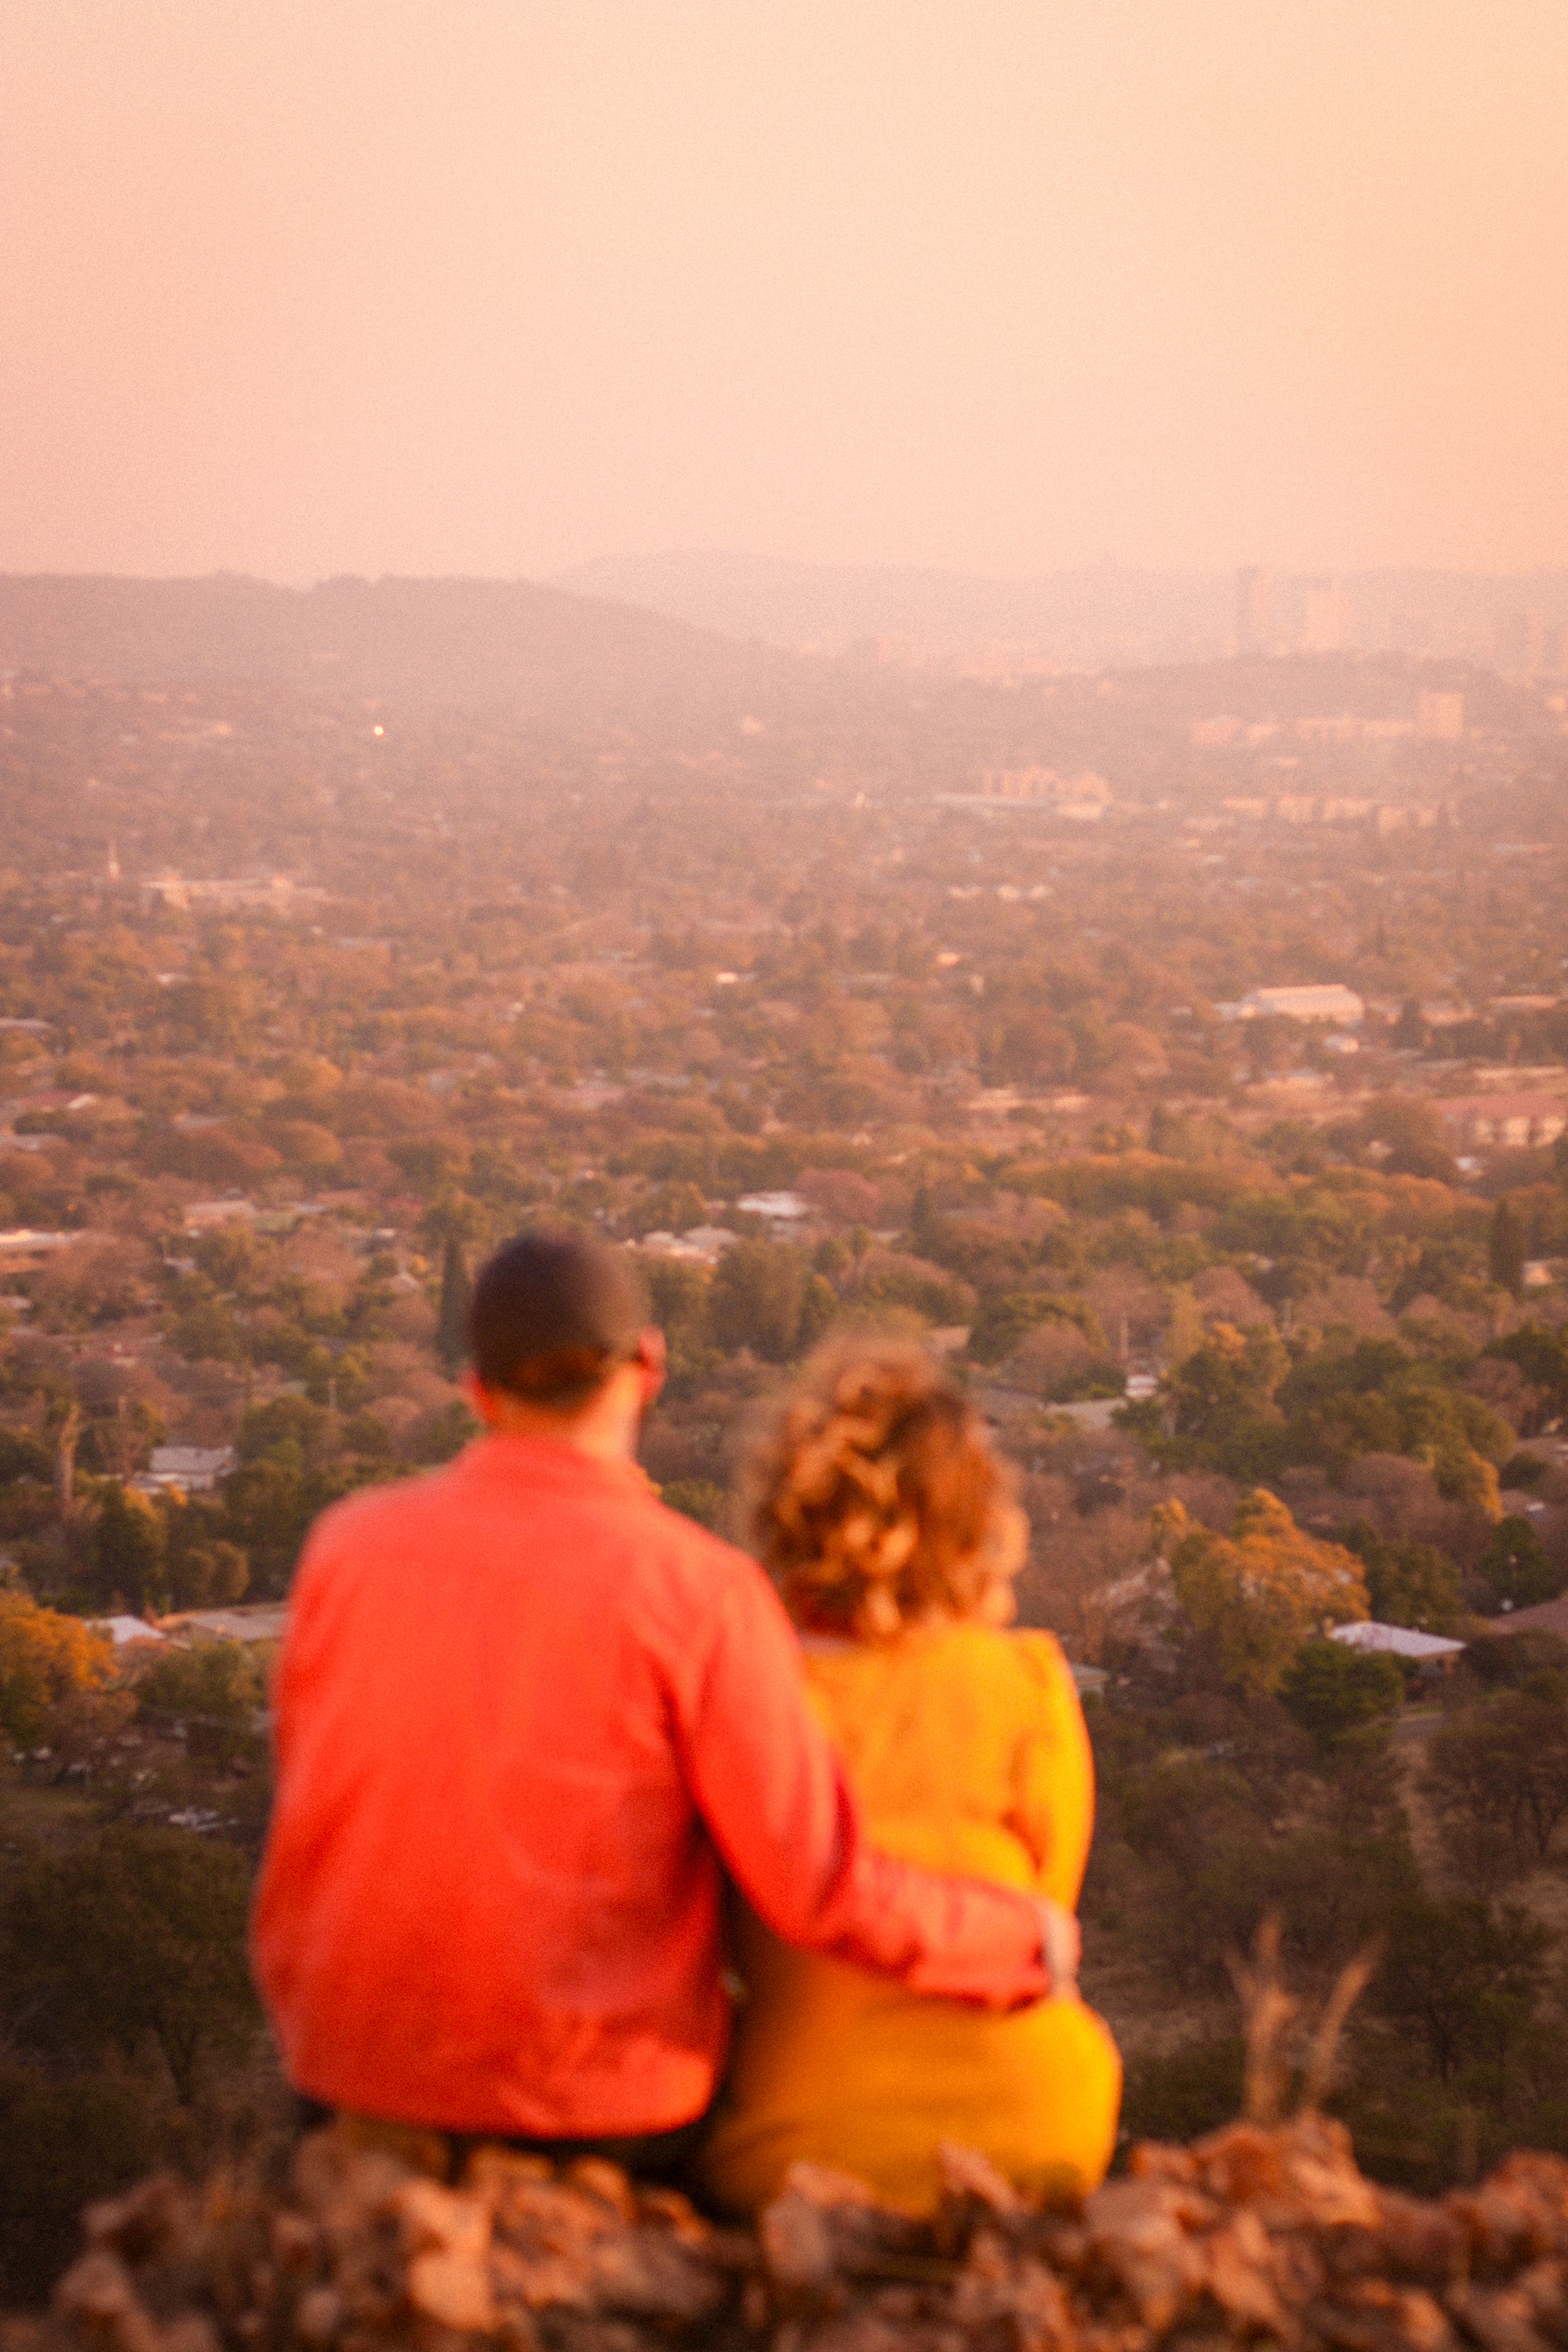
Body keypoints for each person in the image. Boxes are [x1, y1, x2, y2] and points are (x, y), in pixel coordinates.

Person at [250, 1232, 1070, 2183]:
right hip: (592, 2102)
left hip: (352, 2073)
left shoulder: (344, 1551)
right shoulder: (698, 1593)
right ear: (647, 1367)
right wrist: (1026, 1940)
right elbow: (816, 1888)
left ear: (477, 1390)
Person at [701, 1338, 1121, 2217]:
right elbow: (1049, 1907)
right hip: (1039, 2127)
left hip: (801, 2142)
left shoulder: (744, 1697)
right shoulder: (1026, 1682)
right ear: (971, 1519)